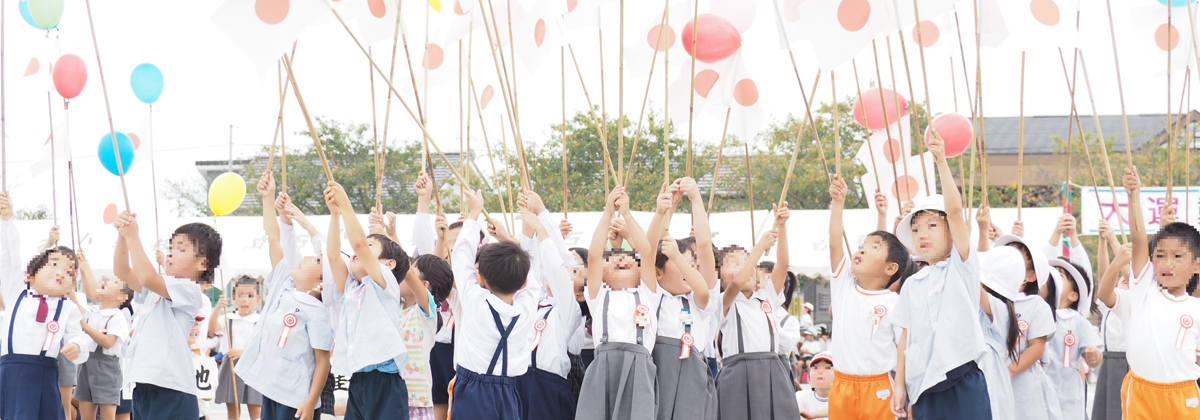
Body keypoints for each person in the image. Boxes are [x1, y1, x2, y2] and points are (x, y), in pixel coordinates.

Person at [890, 134, 990, 419]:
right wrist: (900, 385)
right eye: (917, 228)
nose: (923, 234)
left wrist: (942, 162)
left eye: (932, 225)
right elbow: (905, 339)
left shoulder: (963, 267)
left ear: (950, 229)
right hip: (923, 383)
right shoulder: (912, 284)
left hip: (962, 375)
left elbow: (956, 212)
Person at [1096, 167, 1200, 419]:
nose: (1168, 263)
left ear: (1196, 265)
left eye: (1177, 257)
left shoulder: (1195, 307)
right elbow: (1139, 239)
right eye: (1161, 256)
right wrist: (1133, 197)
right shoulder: (1143, 293)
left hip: (1183, 393)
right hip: (1142, 393)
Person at [233, 172, 333, 420]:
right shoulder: (283, 286)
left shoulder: (319, 312)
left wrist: (311, 402)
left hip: (297, 399)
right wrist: (268, 199)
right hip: (271, 389)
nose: (305, 258)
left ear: (322, 283)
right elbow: (274, 238)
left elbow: (323, 361)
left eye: (316, 260)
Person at [826, 175, 913, 420]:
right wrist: (838, 203)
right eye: (862, 245)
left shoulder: (894, 302)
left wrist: (900, 386)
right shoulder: (843, 286)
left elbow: (902, 349)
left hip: (879, 387)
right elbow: (835, 245)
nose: (862, 249)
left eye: (873, 247)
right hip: (841, 385)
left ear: (890, 269)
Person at [446, 188, 538, 420]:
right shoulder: (526, 309)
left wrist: (473, 214)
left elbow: (460, 256)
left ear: (481, 278)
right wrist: (507, 239)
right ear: (523, 281)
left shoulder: (475, 300)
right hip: (509, 389)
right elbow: (533, 282)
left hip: (472, 390)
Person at [323, 181, 411, 419]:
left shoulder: (386, 283)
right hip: (358, 380)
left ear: (388, 264)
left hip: (385, 381)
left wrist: (346, 204)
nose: (358, 251)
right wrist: (334, 215)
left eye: (372, 246)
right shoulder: (353, 287)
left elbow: (358, 244)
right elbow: (333, 255)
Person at [0, 192, 89, 420]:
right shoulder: (16, 291)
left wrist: (77, 347)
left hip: (45, 376)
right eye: (54, 264)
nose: (61, 272)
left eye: (69, 271)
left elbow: (80, 335)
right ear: (30, 274)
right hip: (9, 375)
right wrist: (8, 220)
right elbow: (9, 257)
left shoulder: (68, 306)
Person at [574, 186, 661, 420]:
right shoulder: (599, 294)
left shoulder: (647, 292)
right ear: (601, 273)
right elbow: (593, 255)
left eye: (628, 259)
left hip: (640, 366)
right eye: (612, 259)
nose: (621, 259)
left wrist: (627, 214)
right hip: (603, 365)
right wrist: (607, 213)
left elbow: (646, 251)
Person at [644, 178, 720, 420]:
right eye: (681, 263)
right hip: (657, 373)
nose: (690, 269)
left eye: (691, 264)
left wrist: (696, 199)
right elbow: (647, 250)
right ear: (658, 272)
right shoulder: (652, 295)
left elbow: (705, 244)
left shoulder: (698, 301)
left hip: (692, 375)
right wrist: (664, 210)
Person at [717, 205, 800, 420]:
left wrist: (781, 227)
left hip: (773, 367)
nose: (745, 267)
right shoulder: (725, 301)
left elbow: (782, 264)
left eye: (747, 263)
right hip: (737, 371)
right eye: (734, 263)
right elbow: (738, 281)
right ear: (720, 276)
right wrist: (758, 249)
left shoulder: (767, 296)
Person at [511, 188, 582, 420]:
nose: (562, 273)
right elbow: (530, 265)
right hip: (520, 377)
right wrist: (527, 225)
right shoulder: (532, 300)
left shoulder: (567, 309)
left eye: (572, 271)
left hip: (549, 384)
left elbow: (557, 264)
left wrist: (541, 220)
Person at [76, 250, 134, 420]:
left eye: (113, 282)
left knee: (111, 416)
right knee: (86, 412)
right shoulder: (96, 310)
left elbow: (108, 343)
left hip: (108, 366)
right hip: (88, 363)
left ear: (122, 296)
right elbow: (93, 294)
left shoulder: (120, 315)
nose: (106, 282)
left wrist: (85, 327)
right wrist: (85, 269)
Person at [1044, 258, 1102, 420]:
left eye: (1060, 275)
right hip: (1038, 393)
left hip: (1066, 396)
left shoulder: (1077, 321)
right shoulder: (1037, 311)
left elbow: (1093, 354)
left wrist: (1094, 355)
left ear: (1073, 295)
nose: (1052, 277)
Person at [210, 275, 264, 419]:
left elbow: (264, 347)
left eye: (250, 295)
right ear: (233, 297)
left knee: (256, 409)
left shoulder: (260, 322)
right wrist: (218, 308)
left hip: (253, 367)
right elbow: (212, 328)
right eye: (240, 295)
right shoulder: (228, 318)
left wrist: (244, 352)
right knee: (233, 409)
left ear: (258, 299)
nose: (245, 299)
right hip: (231, 365)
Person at [1091, 218, 1127, 420]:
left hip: (1128, 360)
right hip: (1109, 360)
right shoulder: (1110, 301)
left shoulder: (1134, 300)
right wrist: (1102, 241)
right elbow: (1105, 274)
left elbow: (1131, 273)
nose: (1121, 279)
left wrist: (1113, 239)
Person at [796, 351, 833, 420]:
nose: (820, 371)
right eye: (815, 368)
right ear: (809, 378)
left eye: (827, 367)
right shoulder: (800, 397)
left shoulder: (846, 402)